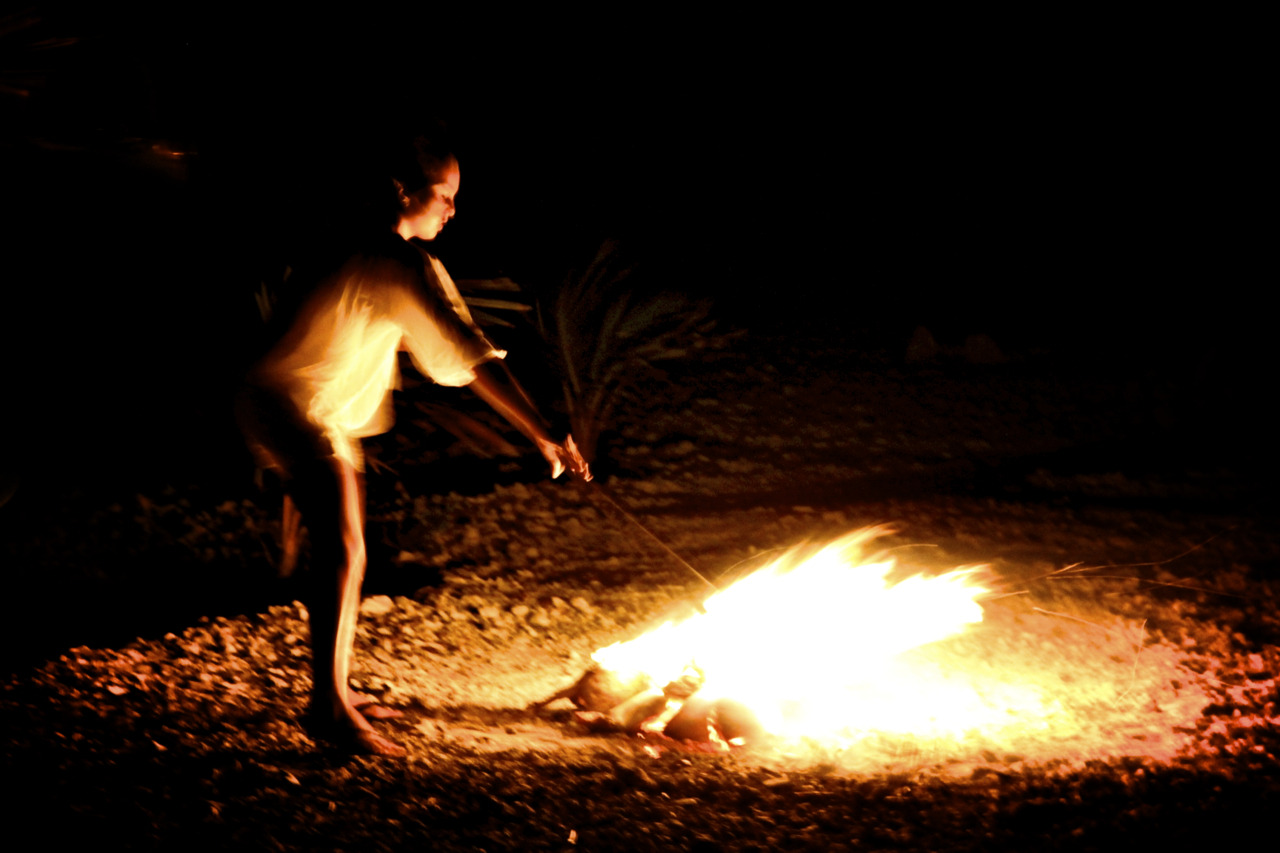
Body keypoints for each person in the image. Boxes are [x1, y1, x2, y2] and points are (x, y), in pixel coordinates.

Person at [237, 136, 589, 756]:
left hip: (310, 407)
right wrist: (544, 432)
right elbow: (473, 359)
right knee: (343, 548)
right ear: (404, 190)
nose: (452, 210)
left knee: (349, 549)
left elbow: (458, 346)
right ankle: (327, 707)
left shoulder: (368, 247)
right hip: (285, 401)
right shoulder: (393, 260)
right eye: (445, 195)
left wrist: (540, 430)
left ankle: (335, 695)